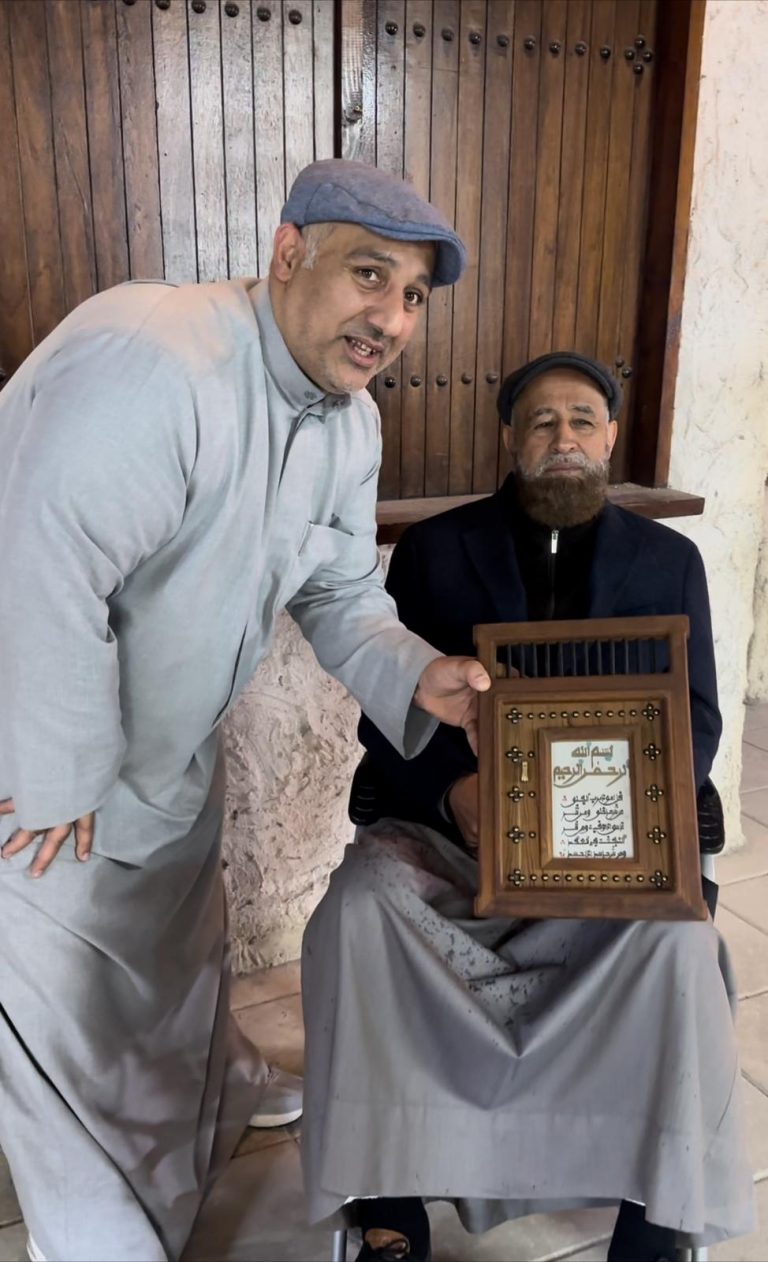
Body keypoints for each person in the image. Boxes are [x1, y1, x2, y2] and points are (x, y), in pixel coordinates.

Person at [0, 159, 492, 1262]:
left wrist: (421, 673)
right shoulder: (155, 360)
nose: (392, 318)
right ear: (288, 251)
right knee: (59, 1028)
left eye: (414, 295)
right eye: (370, 274)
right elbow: (37, 563)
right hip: (33, 772)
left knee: (177, 975)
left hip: (171, 755)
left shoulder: (349, 425)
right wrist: (57, 783)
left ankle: (208, 1106)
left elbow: (340, 590)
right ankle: (93, 1237)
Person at [301, 352, 754, 1262]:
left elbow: (696, 721)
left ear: (611, 437)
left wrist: (623, 811)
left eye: (583, 420)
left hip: (608, 850)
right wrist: (455, 789)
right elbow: (387, 714)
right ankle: (388, 1206)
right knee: (357, 911)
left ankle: (656, 1220)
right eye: (542, 422)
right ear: (511, 438)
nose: (564, 438)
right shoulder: (435, 551)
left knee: (680, 945)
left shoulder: (669, 562)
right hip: (456, 844)